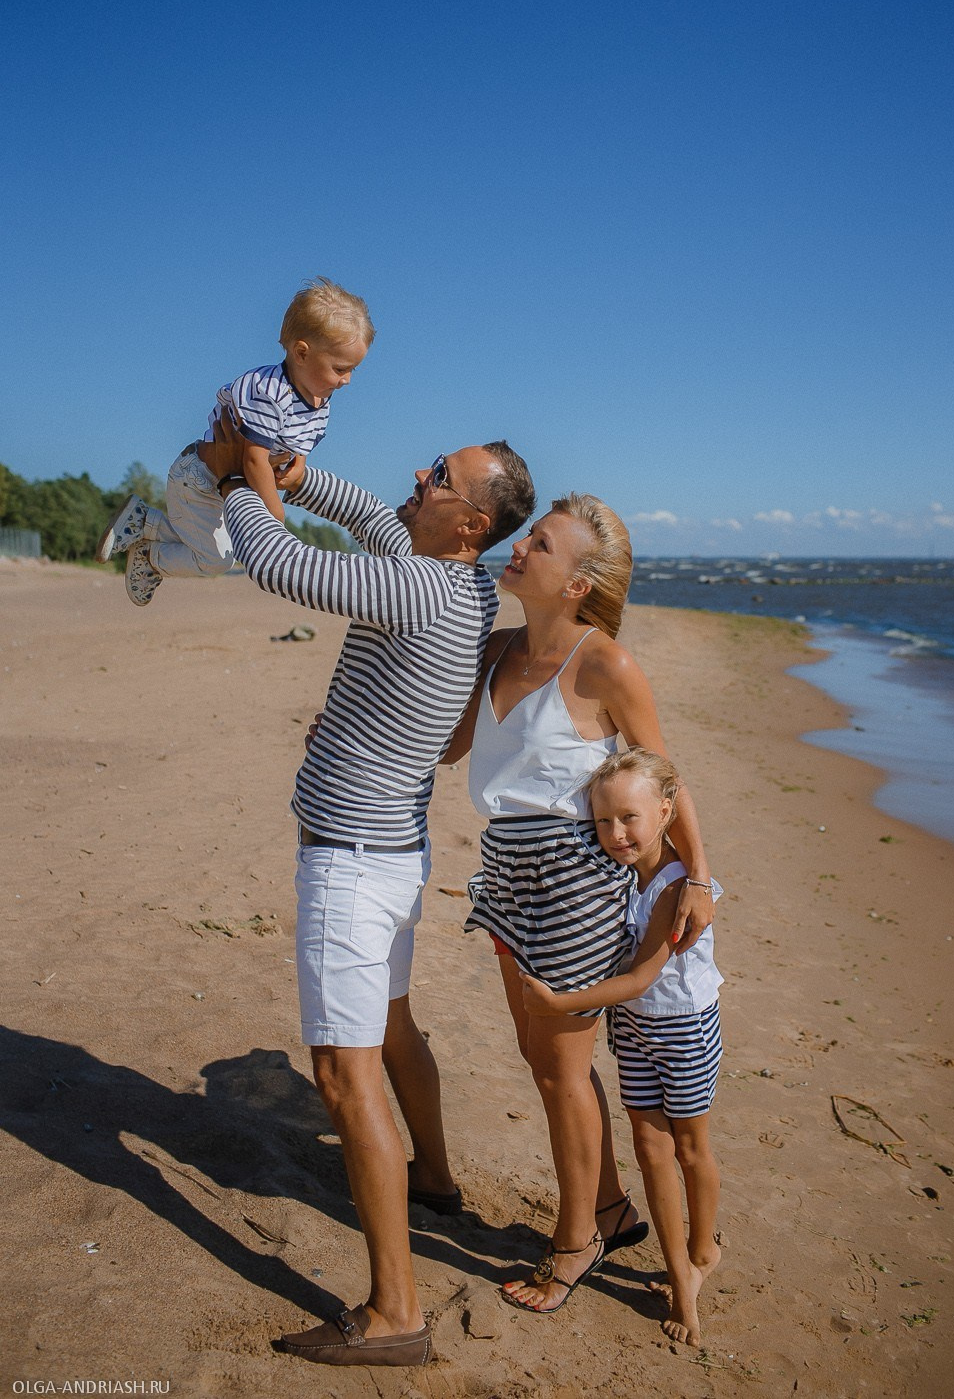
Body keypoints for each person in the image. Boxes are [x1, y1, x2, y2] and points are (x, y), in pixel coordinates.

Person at [205, 416, 535, 1367]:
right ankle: (434, 1178)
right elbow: (366, 515)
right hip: (392, 852)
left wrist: (237, 477)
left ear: (470, 524)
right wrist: (297, 473)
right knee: (392, 1027)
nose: (422, 475)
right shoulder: (460, 581)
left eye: (442, 476)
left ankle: (396, 1314)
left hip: (351, 864)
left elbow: (283, 566)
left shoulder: (419, 588)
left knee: (344, 1077)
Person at [441, 494, 715, 1313]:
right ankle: (611, 1208)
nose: (521, 546)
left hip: (574, 883)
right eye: (529, 535)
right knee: (541, 1061)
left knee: (563, 1074)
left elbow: (665, 778)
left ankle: (575, 1242)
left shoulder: (605, 666)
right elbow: (449, 745)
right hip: (504, 874)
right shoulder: (495, 649)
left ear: (576, 584)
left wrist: (698, 877)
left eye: (541, 543)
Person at [520, 748, 723, 1346]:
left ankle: (702, 1254)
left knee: (690, 1149)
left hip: (684, 1029)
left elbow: (640, 977)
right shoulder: (616, 874)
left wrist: (560, 1003)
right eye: (603, 820)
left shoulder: (677, 885)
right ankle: (680, 1273)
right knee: (650, 1149)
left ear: (666, 812)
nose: (615, 834)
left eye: (630, 818)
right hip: (633, 1030)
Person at [96, 278, 373, 606]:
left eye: (353, 370)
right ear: (301, 353)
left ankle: (144, 521)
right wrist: (275, 515)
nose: (347, 380)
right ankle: (151, 557)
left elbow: (299, 443)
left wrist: (298, 464)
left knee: (222, 550)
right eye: (340, 369)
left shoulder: (319, 399)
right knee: (216, 559)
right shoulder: (269, 394)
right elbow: (254, 459)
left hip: (224, 487)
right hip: (200, 479)